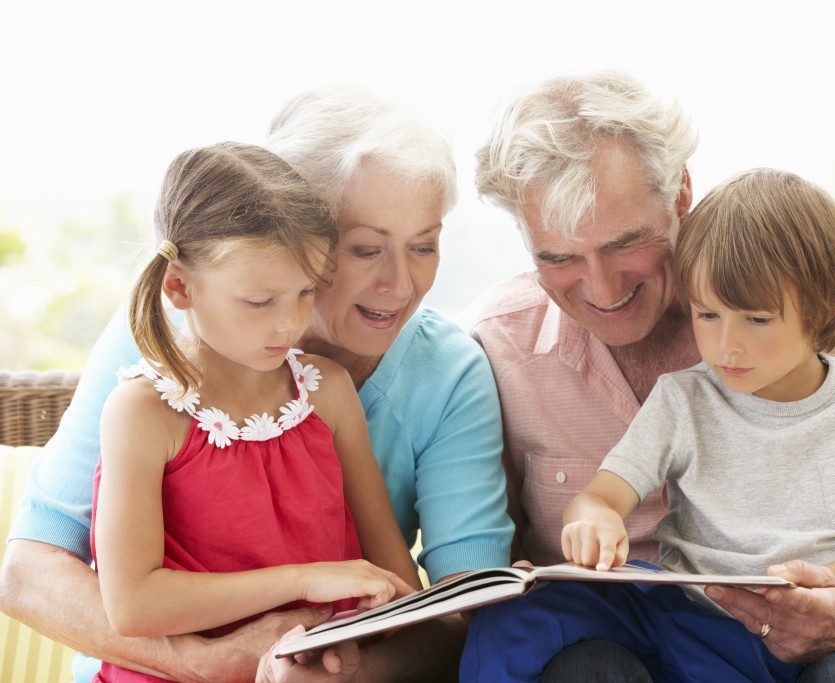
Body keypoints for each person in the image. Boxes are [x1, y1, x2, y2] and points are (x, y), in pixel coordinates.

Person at [1, 87, 514, 682]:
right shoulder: (158, 353)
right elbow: (30, 574)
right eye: (366, 249)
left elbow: (455, 618)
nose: (399, 283)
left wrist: (339, 673)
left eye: (424, 246)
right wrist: (209, 663)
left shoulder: (407, 381)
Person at [461, 71, 835, 679]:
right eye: (558, 258)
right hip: (629, 643)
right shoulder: (499, 347)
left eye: (625, 243)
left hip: (815, 656)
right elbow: (483, 576)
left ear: (681, 193)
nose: (602, 288)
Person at [92, 141, 420, 681]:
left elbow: (394, 581)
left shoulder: (326, 392)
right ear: (179, 286)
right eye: (259, 302)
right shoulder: (142, 413)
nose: (289, 324)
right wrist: (306, 581)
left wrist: (357, 648)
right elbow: (132, 604)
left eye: (304, 293)